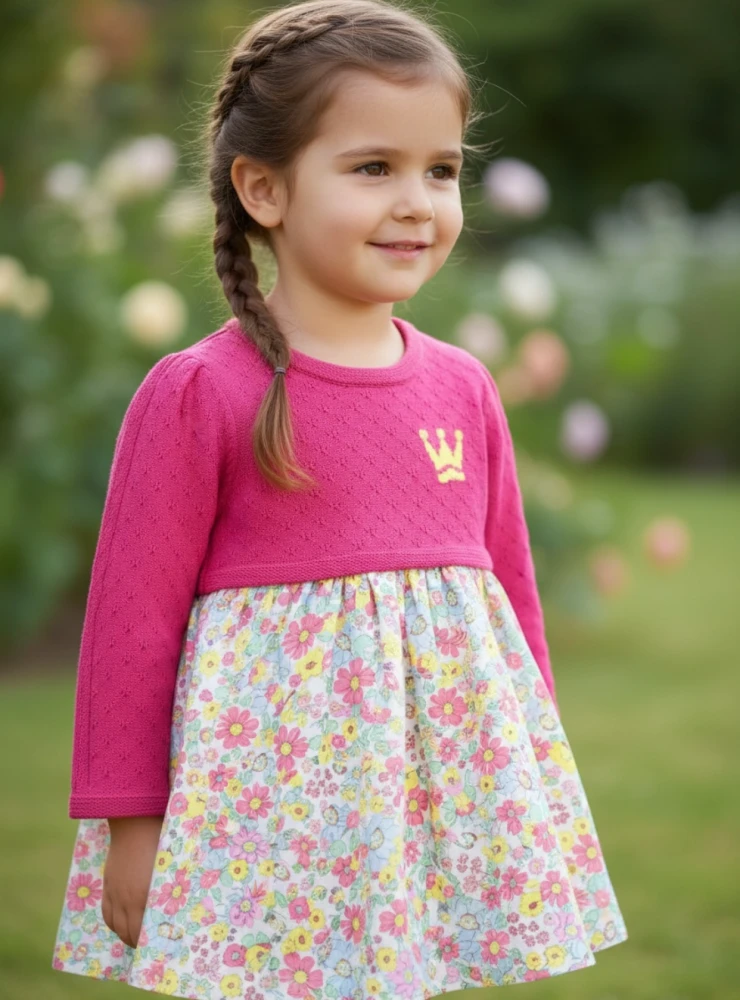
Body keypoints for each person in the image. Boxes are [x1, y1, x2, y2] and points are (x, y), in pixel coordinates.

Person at [51, 1, 628, 997]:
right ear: (263, 188)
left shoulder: (461, 388)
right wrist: (132, 824)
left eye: (439, 170)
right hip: (265, 815)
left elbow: (506, 599)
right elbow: (129, 625)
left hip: (429, 793)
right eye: (373, 168)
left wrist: (525, 776)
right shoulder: (201, 391)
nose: (417, 202)